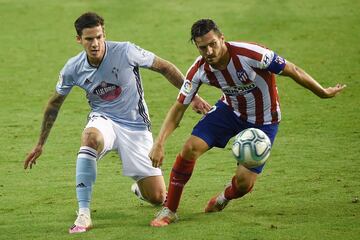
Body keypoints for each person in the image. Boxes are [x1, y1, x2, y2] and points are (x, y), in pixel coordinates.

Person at [23, 12, 211, 234]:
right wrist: (40, 144)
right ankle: (84, 214)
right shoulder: (73, 67)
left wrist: (193, 98)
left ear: (104, 35)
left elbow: (166, 67)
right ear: (79, 40)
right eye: (89, 39)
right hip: (104, 120)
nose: (95, 44)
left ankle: (141, 189)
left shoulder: (126, 51)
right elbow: (54, 104)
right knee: (90, 137)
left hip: (136, 127)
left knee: (158, 197)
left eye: (98, 37)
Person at [148, 19, 346, 227]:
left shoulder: (251, 54)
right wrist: (159, 142)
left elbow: (292, 70)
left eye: (213, 44)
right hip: (229, 112)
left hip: (264, 121)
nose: (209, 51)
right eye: (202, 47)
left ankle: (224, 198)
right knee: (189, 148)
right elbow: (178, 108)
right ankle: (170, 209)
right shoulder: (199, 70)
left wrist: (322, 92)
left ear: (222, 39)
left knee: (243, 183)